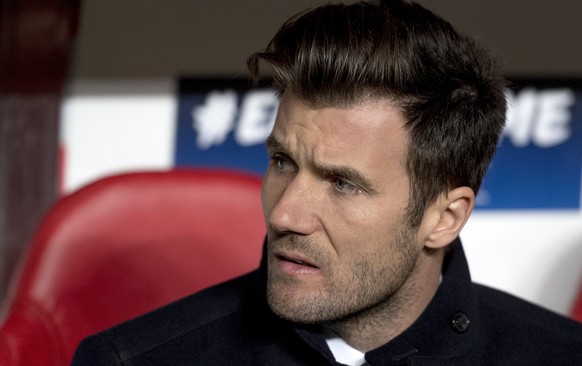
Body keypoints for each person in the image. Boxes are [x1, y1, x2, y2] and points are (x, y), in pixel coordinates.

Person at [72, 1, 582, 365]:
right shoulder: (135, 359)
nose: (284, 215)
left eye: (343, 183)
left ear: (444, 218)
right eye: (283, 162)